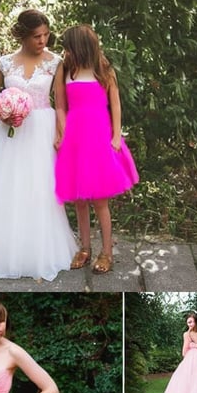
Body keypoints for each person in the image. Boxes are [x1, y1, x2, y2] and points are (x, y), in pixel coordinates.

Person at [0, 9, 78, 280]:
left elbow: (60, 103)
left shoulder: (54, 62)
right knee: (7, 184)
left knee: (39, 185)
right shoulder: (4, 63)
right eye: (37, 36)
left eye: (46, 35)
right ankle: (2, 249)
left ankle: (38, 249)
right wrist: (3, 109)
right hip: (10, 130)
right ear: (23, 35)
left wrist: (62, 134)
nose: (43, 40)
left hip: (41, 129)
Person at [53, 24, 139, 274]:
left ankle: (107, 253)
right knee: (79, 199)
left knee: (100, 200)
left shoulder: (104, 69)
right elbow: (60, 105)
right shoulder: (66, 69)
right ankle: (85, 248)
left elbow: (116, 105)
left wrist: (115, 136)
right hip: (75, 137)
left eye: (68, 46)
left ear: (79, 46)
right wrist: (64, 132)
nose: (64, 50)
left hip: (100, 137)